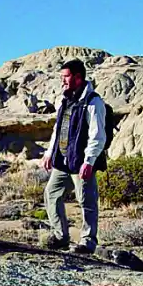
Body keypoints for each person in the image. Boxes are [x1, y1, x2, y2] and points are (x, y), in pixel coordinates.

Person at [40, 59, 107, 254]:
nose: (63, 81)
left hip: (80, 162)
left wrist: (89, 161)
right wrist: (49, 153)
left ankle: (88, 241)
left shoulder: (94, 102)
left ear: (78, 77)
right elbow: (57, 130)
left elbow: (97, 135)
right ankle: (60, 236)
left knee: (86, 201)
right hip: (62, 160)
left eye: (66, 77)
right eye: (62, 77)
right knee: (51, 194)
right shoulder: (65, 100)